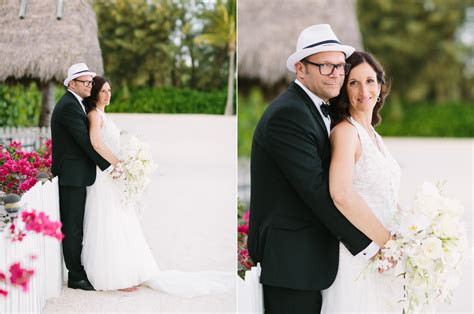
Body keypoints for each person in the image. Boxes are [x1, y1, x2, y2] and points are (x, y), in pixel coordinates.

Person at [247, 24, 392, 313]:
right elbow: (317, 190)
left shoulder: (316, 109)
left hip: (312, 258)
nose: (337, 73)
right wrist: (372, 246)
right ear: (300, 69)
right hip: (292, 260)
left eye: (340, 66)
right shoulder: (288, 114)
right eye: (326, 66)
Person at [81, 76, 233, 295]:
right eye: (103, 91)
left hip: (112, 174)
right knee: (109, 223)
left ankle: (128, 270)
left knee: (121, 222)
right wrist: (119, 164)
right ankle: (114, 276)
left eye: (110, 90)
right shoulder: (94, 115)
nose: (108, 94)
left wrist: (125, 163)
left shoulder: (104, 114)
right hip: (105, 176)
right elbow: (96, 143)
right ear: (94, 93)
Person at [321, 51, 404, 313]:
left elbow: (386, 194)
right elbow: (341, 194)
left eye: (369, 81)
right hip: (360, 255)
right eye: (353, 82)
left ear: (380, 86)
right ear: (344, 90)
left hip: (385, 255)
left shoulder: (374, 135)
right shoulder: (346, 132)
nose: (363, 90)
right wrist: (386, 243)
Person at [51, 63, 116, 291]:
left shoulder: (74, 103)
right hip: (71, 176)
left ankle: (78, 272)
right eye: (85, 82)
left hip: (77, 175)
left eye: (90, 82)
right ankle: (76, 276)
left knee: (77, 225)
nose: (90, 86)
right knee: (72, 227)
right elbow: (86, 142)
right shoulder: (68, 106)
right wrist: (110, 167)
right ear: (72, 84)